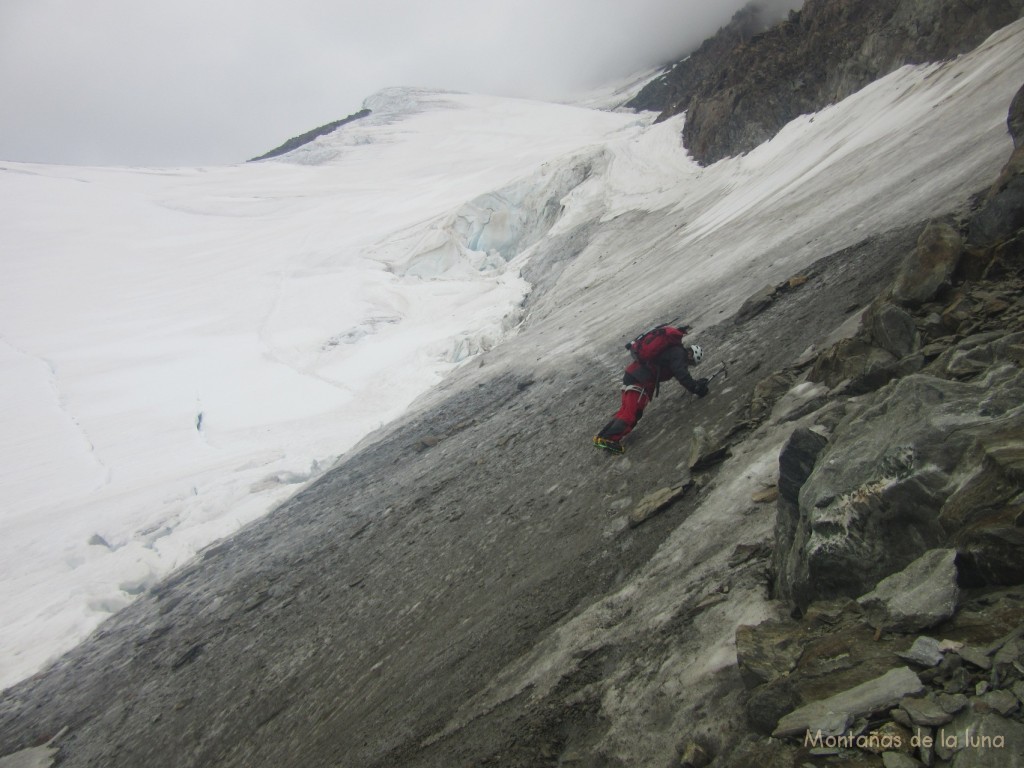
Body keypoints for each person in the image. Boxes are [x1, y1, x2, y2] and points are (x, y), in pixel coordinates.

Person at [593, 329, 708, 454]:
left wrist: (695, 383)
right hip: (640, 379)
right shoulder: (679, 354)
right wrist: (696, 388)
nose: (689, 364)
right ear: (691, 355)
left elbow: (681, 374)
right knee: (632, 414)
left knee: (627, 411)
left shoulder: (675, 351)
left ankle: (601, 438)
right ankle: (609, 439)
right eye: (691, 362)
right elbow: (682, 375)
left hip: (633, 375)